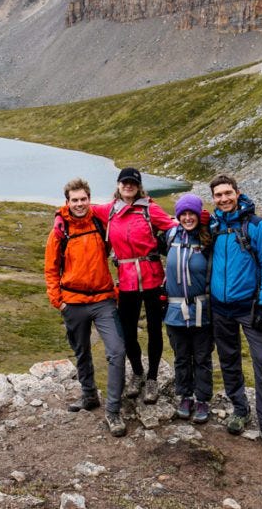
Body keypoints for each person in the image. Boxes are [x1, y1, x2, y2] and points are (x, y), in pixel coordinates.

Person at [208, 173, 262, 460]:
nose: (224, 198)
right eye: (218, 195)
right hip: (220, 308)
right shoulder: (213, 226)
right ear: (213, 198)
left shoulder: (256, 225)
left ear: (238, 193)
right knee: (228, 362)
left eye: (228, 193)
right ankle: (240, 409)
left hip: (250, 308)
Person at [44, 178, 127, 437]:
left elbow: (118, 247)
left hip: (103, 300)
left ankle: (113, 411)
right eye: (75, 200)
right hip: (74, 302)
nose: (80, 204)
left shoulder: (100, 221)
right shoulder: (60, 229)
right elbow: (50, 268)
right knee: (82, 352)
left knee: (116, 351)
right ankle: (89, 395)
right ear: (67, 202)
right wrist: (59, 301)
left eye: (83, 199)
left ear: (89, 199)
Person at [94, 167, 176, 404]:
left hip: (152, 279)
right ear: (118, 185)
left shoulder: (150, 209)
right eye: (124, 182)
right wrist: (62, 213)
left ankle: (152, 379)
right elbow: (83, 210)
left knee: (154, 330)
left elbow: (175, 227)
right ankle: (137, 373)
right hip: (127, 282)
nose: (128, 186)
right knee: (128, 332)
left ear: (139, 186)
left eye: (132, 183)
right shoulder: (109, 210)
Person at [163, 193, 214, 424]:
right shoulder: (170, 235)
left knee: (202, 358)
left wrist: (207, 217)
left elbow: (218, 222)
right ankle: (185, 396)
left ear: (197, 214)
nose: (186, 217)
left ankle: (202, 399)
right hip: (174, 312)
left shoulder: (208, 238)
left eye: (191, 213)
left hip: (203, 311)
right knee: (181, 357)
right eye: (182, 213)